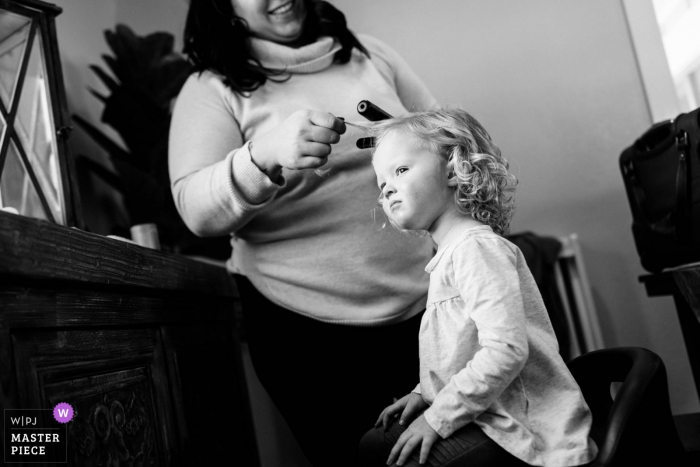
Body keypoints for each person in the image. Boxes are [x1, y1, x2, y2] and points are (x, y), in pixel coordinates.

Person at [168, 1, 438, 465]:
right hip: (306, 334)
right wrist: (261, 156)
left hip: (432, 306)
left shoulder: (370, 55)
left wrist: (419, 139)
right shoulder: (210, 87)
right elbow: (195, 210)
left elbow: (452, 138)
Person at [359, 108, 598, 467]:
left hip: (522, 430)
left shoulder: (476, 250)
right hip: (490, 414)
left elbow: (505, 351)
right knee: (373, 445)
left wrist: (437, 418)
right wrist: (425, 393)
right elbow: (462, 351)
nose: (388, 186)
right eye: (382, 183)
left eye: (402, 170)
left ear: (455, 168)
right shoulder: (449, 255)